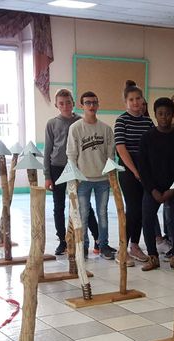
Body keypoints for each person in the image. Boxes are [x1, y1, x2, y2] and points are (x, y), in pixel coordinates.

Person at [44, 89, 101, 256]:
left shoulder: (80, 121)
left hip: (77, 168)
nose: (65, 106)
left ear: (74, 103)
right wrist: (47, 176)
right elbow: (48, 151)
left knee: (84, 205)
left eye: (68, 102)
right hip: (57, 168)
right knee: (59, 206)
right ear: (56, 105)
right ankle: (62, 240)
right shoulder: (52, 124)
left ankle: (97, 238)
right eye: (61, 103)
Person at [66, 91, 116, 260]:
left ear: (98, 104)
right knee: (83, 214)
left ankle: (103, 246)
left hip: (102, 179)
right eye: (88, 103)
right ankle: (83, 247)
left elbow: (111, 155)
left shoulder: (106, 129)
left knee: (103, 214)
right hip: (83, 179)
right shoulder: (76, 128)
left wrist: (110, 175)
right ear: (81, 106)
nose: (91, 106)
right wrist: (74, 178)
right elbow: (71, 154)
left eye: (94, 102)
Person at [138, 97, 174, 271]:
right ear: (155, 115)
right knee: (148, 220)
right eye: (160, 114)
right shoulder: (147, 137)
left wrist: (172, 190)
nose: (164, 117)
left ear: (173, 115)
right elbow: (142, 167)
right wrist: (152, 190)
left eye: (167, 114)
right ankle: (153, 256)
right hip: (152, 189)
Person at [114, 80, 155, 264]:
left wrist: (145, 170)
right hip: (128, 169)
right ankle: (122, 249)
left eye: (138, 98)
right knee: (132, 208)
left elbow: (154, 145)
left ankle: (135, 245)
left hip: (145, 168)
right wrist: (136, 171)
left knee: (142, 209)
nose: (136, 102)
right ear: (126, 102)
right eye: (131, 99)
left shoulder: (148, 121)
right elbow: (121, 148)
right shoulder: (121, 120)